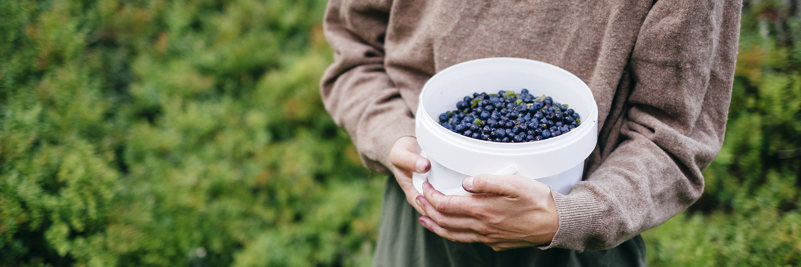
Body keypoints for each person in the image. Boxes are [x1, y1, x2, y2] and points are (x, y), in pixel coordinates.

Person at [320, 0, 742, 266]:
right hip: (422, 217)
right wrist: (394, 136)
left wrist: (571, 216)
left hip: (579, 244)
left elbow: (670, 137)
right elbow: (356, 54)